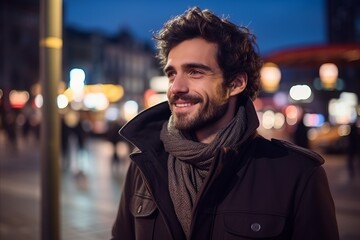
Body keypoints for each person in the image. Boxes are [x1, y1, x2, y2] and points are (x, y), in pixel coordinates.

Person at [111, 7, 339, 240]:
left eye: (195, 72)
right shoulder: (144, 165)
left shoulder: (296, 175)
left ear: (236, 83)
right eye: (172, 74)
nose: (176, 87)